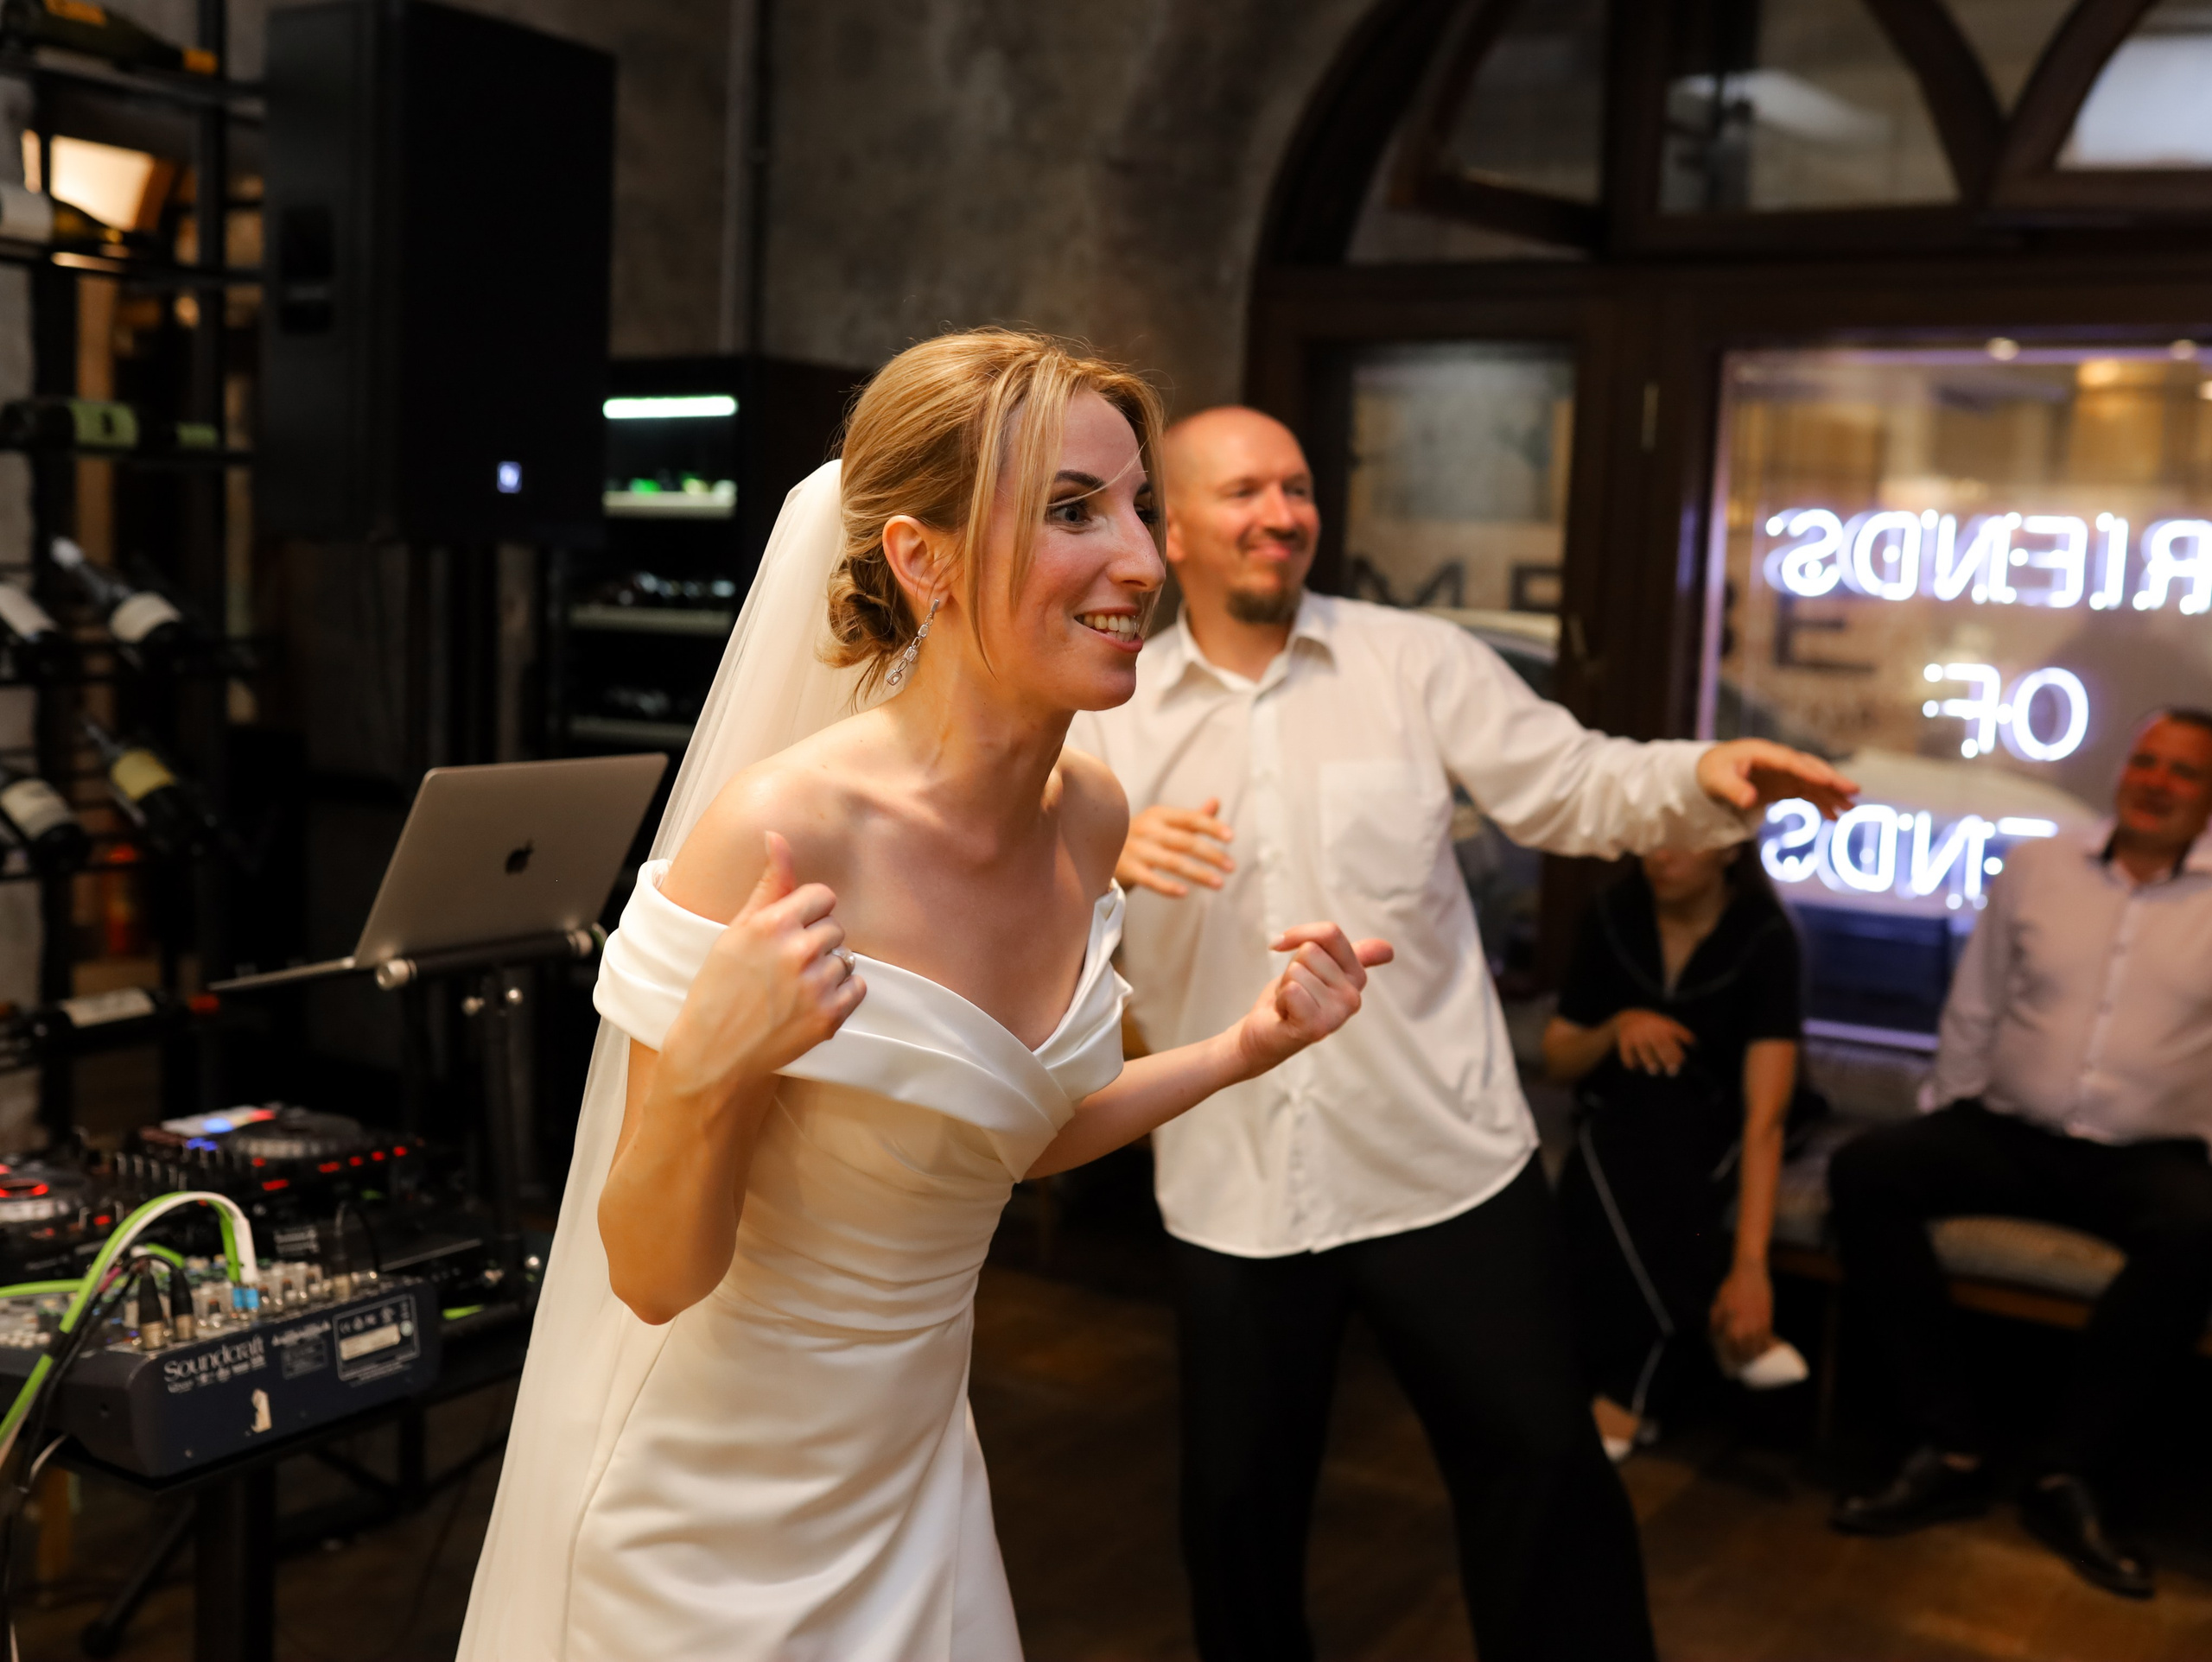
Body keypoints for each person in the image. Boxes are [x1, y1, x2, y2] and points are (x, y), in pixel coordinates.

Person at [456, 333, 1392, 1661]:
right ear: (924, 559)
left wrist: (1247, 1045)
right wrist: (716, 1065)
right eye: (1073, 510)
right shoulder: (783, 836)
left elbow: (1003, 1134)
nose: (1138, 559)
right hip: (710, 1525)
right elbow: (654, 1276)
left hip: (915, 1481)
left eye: (1133, 505)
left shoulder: (1088, 818)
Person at [1065, 405, 1854, 1662]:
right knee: (1236, 1514)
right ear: (1170, 529)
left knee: (1544, 1474)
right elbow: (1039, 941)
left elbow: (1574, 781)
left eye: (1299, 486)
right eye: (1245, 494)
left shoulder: (1413, 662)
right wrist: (1093, 861)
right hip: (1233, 1180)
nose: (1282, 515)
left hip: (1444, 1163)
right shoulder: (1104, 713)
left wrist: (1704, 778)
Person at [1827, 707, 2212, 1602]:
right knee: (1868, 1170)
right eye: (2144, 761)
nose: (2155, 782)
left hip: (2145, 1156)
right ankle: (1949, 1444)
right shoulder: (2038, 865)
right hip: (2007, 1133)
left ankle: (2063, 1471)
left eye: (2184, 772)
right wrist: (1945, 1109)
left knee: (2201, 1230)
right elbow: (1977, 999)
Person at [1543, 843, 1805, 1462]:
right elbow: (1558, 1060)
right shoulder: (1612, 912)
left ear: (1729, 847)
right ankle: (1700, 1338)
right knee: (1619, 1156)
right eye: (1651, 836)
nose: (1660, 856)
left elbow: (1763, 1118)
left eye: (1681, 839)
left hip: (1713, 1125)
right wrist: (1618, 1026)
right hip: (1619, 1114)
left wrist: (1750, 1269)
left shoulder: (1765, 936)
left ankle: (1623, 1394)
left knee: (1638, 1170)